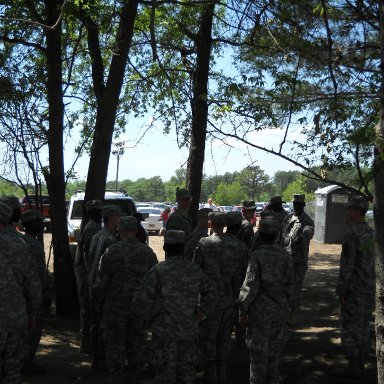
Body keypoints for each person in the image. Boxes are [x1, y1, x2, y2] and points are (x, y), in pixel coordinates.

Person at [134, 230, 216, 384]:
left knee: (166, 372)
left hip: (165, 331)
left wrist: (149, 318)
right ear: (183, 248)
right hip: (189, 329)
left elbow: (141, 298)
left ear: (165, 248)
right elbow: (212, 294)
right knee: (186, 372)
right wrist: (201, 314)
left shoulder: (158, 270)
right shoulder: (194, 270)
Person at [93, 216, 158, 375]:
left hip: (115, 307)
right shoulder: (147, 253)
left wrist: (98, 304)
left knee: (114, 345)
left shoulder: (111, 252)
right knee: (135, 342)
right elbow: (155, 283)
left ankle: (117, 376)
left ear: (119, 230)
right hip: (139, 308)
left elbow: (101, 282)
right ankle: (134, 375)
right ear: (136, 231)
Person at [239, 212, 294, 384]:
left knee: (258, 355)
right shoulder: (285, 256)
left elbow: (251, 285)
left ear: (260, 235)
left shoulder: (257, 256)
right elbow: (290, 285)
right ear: (277, 235)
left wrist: (243, 309)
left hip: (260, 312)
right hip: (279, 311)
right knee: (274, 352)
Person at [193, 211, 243, 383]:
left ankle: (210, 377)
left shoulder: (204, 243)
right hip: (229, 302)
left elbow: (195, 271)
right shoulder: (238, 245)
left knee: (207, 342)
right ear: (225, 225)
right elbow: (244, 275)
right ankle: (222, 375)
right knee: (224, 340)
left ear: (210, 224)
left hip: (209, 304)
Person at [0, 201, 42, 383]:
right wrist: (32, 311)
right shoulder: (20, 244)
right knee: (12, 367)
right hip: (15, 315)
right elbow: (32, 285)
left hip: (14, 315)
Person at [336, 196, 374, 378]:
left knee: (350, 326)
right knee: (364, 324)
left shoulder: (351, 234)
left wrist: (341, 290)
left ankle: (354, 365)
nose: (347, 212)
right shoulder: (371, 233)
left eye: (349, 209)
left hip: (353, 290)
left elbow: (347, 266)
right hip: (369, 289)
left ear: (358, 211)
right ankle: (362, 361)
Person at [88, 204, 123, 369]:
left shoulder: (98, 235)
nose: (119, 220)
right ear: (111, 218)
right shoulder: (110, 239)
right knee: (105, 327)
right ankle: (103, 361)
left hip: (94, 285)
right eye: (117, 217)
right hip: (104, 289)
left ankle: (96, 358)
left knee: (96, 324)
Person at [20, 210, 50, 375]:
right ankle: (26, 361)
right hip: (34, 295)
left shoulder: (29, 241)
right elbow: (34, 273)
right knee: (33, 329)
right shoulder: (29, 243)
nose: (42, 224)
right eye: (39, 221)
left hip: (34, 293)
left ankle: (26, 359)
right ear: (31, 224)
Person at [277, 194, 314, 321]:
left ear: (303, 205)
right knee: (283, 286)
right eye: (294, 204)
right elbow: (281, 235)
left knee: (296, 289)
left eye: (298, 204)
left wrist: (302, 236)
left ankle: (293, 314)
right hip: (284, 259)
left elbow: (308, 232)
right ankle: (283, 312)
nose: (295, 206)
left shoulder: (307, 220)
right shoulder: (288, 217)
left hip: (298, 262)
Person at [74, 199, 103, 354]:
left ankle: (89, 343)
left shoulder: (95, 227)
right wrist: (92, 279)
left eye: (99, 210)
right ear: (91, 213)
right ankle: (86, 344)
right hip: (87, 277)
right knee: (87, 310)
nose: (99, 213)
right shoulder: (91, 229)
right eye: (95, 211)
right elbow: (88, 258)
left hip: (89, 276)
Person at [225, 211, 249, 351]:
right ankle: (240, 348)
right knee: (239, 325)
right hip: (237, 294)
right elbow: (246, 273)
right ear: (240, 226)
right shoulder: (242, 248)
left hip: (219, 295)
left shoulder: (212, 243)